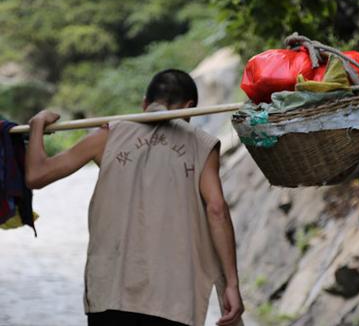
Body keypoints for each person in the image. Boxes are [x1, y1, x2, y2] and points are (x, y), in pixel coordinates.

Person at [25, 69, 244, 326]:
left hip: (110, 292)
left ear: (144, 103)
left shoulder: (108, 135)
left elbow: (37, 175)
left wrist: (38, 124)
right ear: (190, 108)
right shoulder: (202, 144)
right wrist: (231, 283)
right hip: (173, 297)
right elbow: (216, 209)